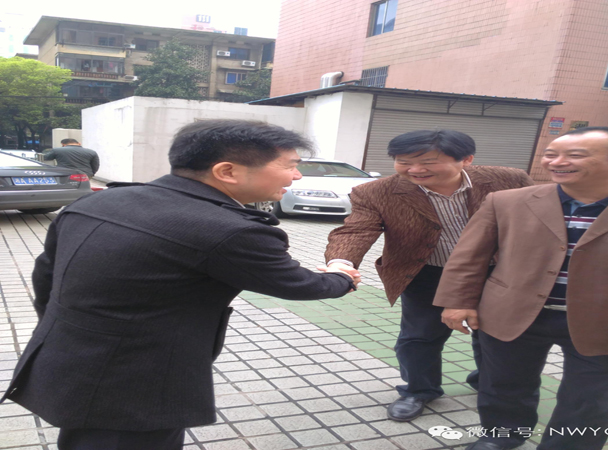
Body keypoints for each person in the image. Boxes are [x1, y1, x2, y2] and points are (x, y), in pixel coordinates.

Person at [1, 120, 359, 450]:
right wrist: (341, 276)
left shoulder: (99, 200)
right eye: (289, 165)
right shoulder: (232, 229)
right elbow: (298, 284)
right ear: (227, 171)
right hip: (137, 381)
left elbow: (46, 276)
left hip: (66, 356)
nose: (296, 175)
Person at [434, 127, 608, 450]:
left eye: (575, 155)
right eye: (551, 154)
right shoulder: (506, 201)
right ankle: (502, 435)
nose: (556, 162)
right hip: (512, 312)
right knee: (503, 385)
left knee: (589, 397)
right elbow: (469, 256)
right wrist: (457, 301)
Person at [325, 129, 533, 422]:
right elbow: (356, 230)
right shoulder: (375, 192)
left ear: (466, 159)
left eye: (428, 162)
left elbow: (540, 215)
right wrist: (341, 263)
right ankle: (419, 390)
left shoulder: (508, 180)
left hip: (497, 271)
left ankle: (488, 380)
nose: (415, 169)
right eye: (403, 161)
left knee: (495, 334)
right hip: (427, 273)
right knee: (418, 337)